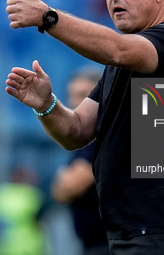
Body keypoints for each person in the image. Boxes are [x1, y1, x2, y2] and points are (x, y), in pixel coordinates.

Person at [5, 0, 164, 254]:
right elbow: (77, 130)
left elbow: (118, 49)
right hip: (131, 229)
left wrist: (48, 17)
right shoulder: (119, 65)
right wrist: (46, 104)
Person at [51, 68, 109, 255]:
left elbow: (69, 186)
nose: (76, 103)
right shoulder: (85, 138)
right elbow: (59, 192)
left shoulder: (101, 136)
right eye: (72, 95)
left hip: (107, 245)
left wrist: (64, 179)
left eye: (85, 95)